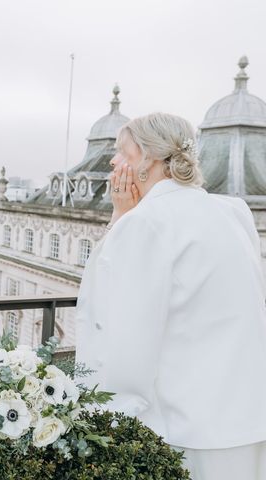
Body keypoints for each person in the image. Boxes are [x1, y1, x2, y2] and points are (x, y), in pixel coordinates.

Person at [76, 112, 266, 479]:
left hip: (186, 427)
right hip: (249, 416)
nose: (113, 161)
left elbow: (119, 330)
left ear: (148, 158)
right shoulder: (233, 211)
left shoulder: (145, 222)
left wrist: (119, 217)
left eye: (120, 151)